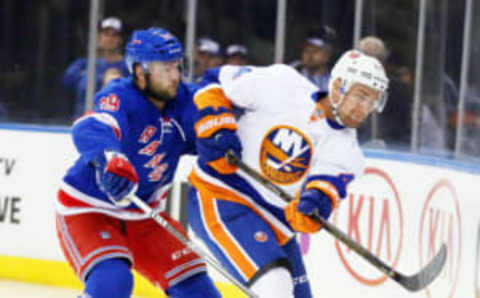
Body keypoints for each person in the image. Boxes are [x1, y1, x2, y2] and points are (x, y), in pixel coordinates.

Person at [187, 50, 389, 297]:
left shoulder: (349, 155)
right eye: (361, 95)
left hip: (277, 226)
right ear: (337, 86)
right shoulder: (283, 82)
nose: (364, 108)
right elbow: (215, 81)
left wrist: (312, 208)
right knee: (275, 287)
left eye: (372, 101)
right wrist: (216, 124)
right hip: (221, 196)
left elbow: (322, 190)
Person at [55, 27, 221, 298]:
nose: (175, 76)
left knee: (200, 293)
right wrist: (111, 158)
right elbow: (91, 127)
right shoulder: (121, 96)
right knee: (113, 285)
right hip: (88, 210)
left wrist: (222, 138)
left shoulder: (187, 100)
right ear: (139, 71)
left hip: (145, 216)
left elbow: (214, 126)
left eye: (177, 67)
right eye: (164, 69)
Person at [62, 17, 129, 119]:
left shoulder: (128, 67)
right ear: (98, 37)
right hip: (82, 121)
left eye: (114, 35)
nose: (109, 39)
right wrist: (99, 78)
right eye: (106, 34)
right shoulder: (82, 64)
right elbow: (67, 84)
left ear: (120, 40)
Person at [291, 26, 335, 93]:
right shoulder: (293, 77)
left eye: (315, 51)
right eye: (306, 51)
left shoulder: (334, 81)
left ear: (327, 56)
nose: (310, 55)